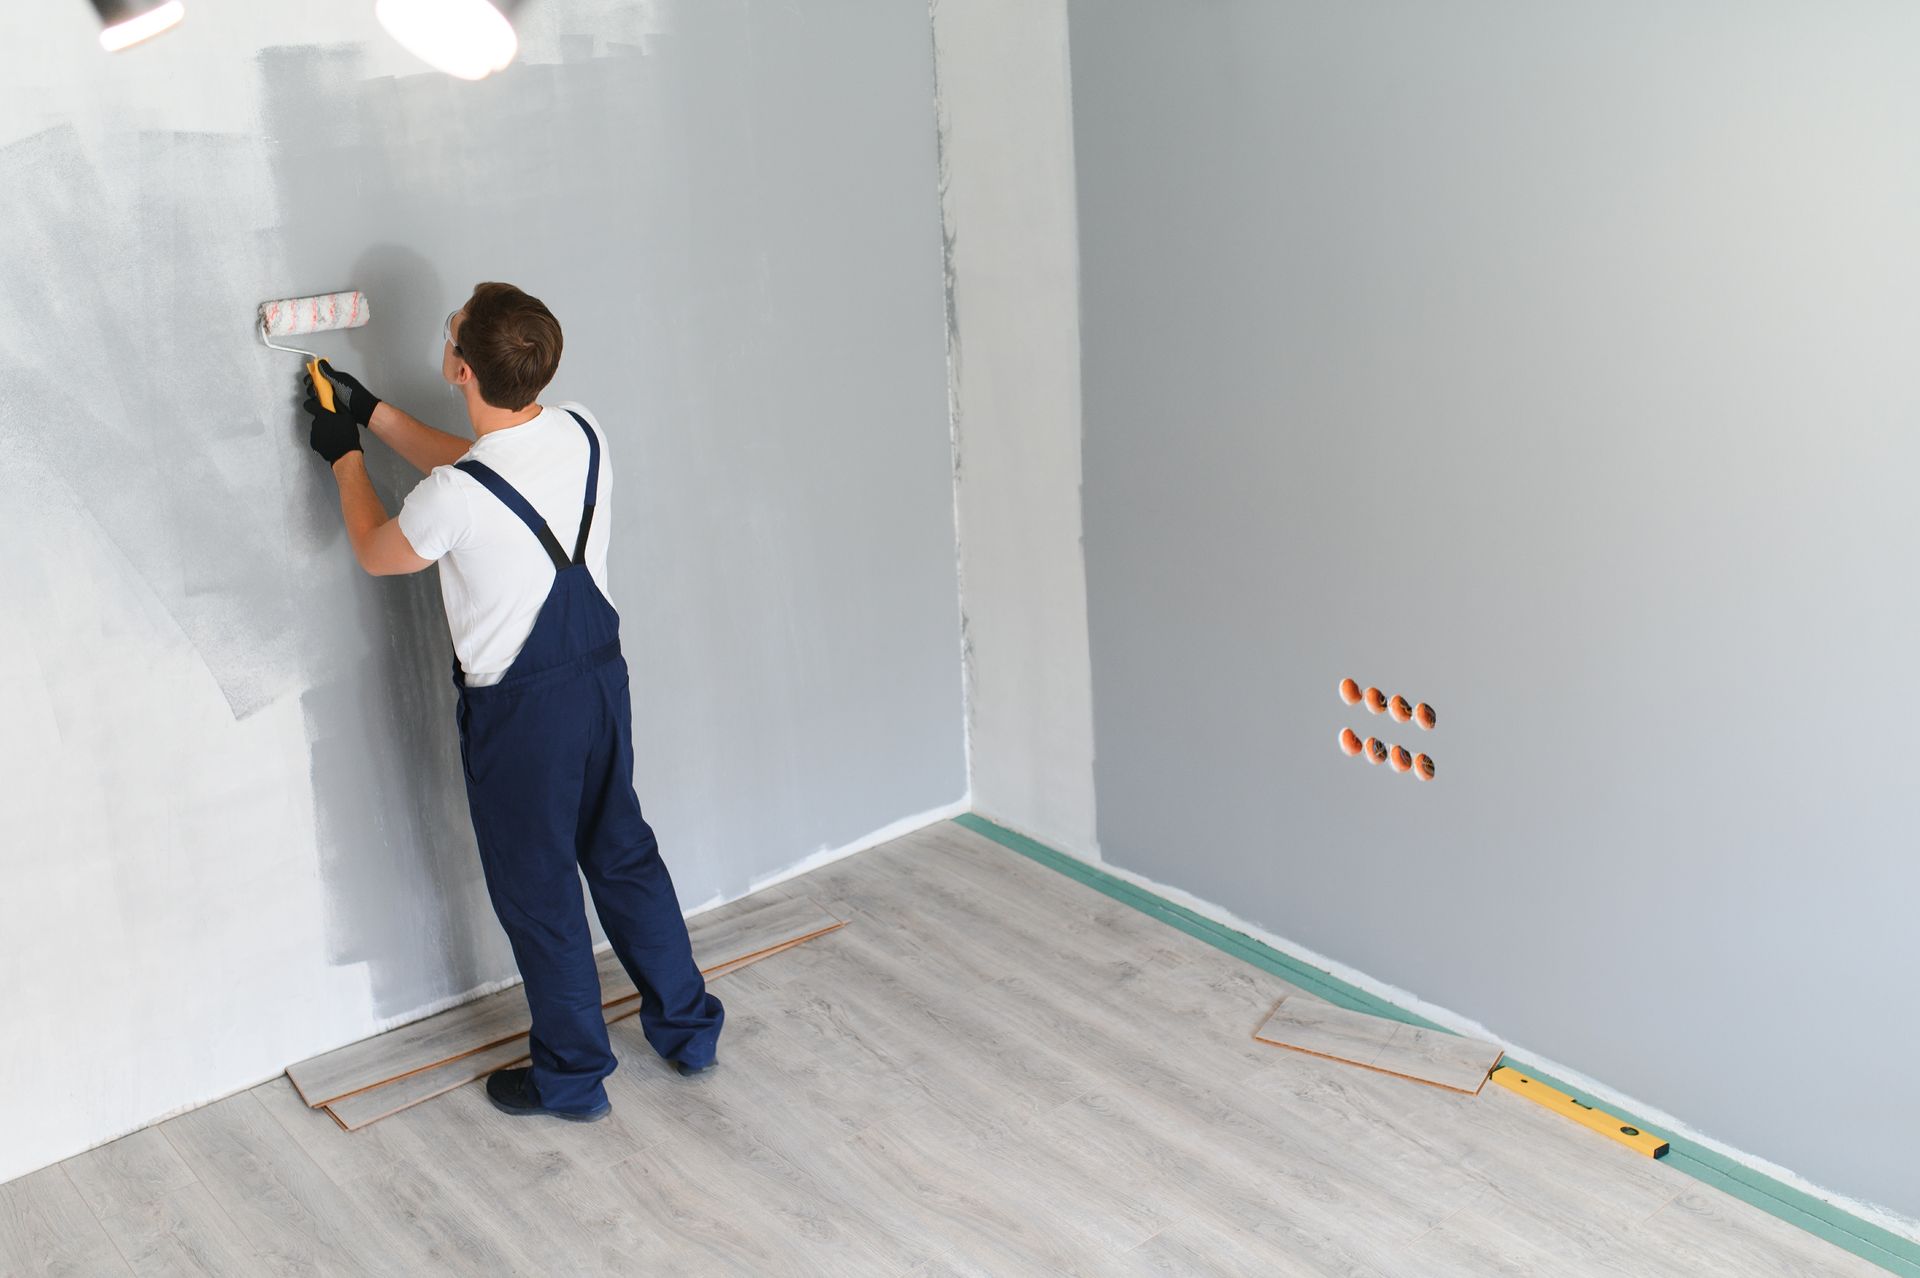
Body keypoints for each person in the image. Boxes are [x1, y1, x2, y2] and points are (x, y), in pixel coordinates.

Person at [300, 281, 724, 1122]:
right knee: (623, 854)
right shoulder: (579, 428)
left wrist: (344, 454)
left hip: (523, 718)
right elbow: (483, 461)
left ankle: (571, 1079)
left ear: (458, 365)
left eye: (451, 328)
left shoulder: (451, 499)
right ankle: (688, 1028)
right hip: (601, 683)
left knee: (541, 895)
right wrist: (374, 411)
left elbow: (382, 553)